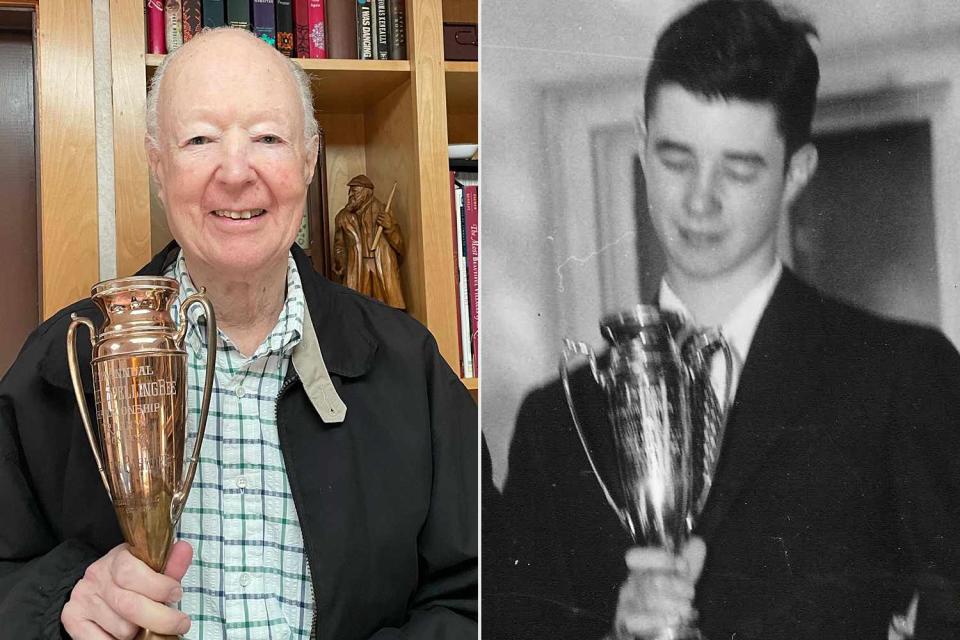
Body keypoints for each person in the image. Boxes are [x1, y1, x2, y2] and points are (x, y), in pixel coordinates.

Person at [486, 1, 960, 639]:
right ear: (643, 144)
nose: (699, 200)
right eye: (677, 160)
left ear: (797, 173)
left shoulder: (901, 377)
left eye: (738, 170)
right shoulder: (557, 422)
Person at [0, 27, 477, 640]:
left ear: (308, 159)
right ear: (157, 162)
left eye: (268, 138)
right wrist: (61, 604)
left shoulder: (410, 367)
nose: (234, 172)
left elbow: (475, 595)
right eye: (199, 139)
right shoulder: (63, 364)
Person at [333, 174, 407, 309]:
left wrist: (390, 228)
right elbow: (339, 245)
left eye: (354, 191)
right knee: (357, 309)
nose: (350, 195)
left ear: (367, 192)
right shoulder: (342, 217)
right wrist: (341, 264)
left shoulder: (383, 211)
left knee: (386, 310)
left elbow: (400, 246)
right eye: (350, 191)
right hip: (357, 267)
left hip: (381, 265)